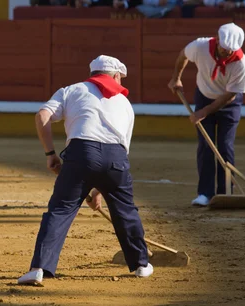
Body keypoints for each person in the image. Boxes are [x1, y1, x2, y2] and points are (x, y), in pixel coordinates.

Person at [18, 55, 154, 286]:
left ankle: (39, 268)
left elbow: (42, 116)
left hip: (81, 154)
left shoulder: (72, 90)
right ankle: (141, 264)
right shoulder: (125, 103)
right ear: (115, 75)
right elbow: (116, 156)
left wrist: (50, 154)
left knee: (60, 210)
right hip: (116, 158)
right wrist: (99, 191)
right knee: (125, 211)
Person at [167, 23, 245, 207]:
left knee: (225, 146)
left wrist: (204, 112)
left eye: (230, 51)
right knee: (205, 144)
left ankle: (226, 193)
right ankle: (205, 193)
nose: (226, 53)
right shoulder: (200, 46)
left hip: (229, 104)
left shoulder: (241, 63)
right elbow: (183, 55)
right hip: (204, 96)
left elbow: (229, 95)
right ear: (218, 40)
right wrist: (176, 78)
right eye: (224, 48)